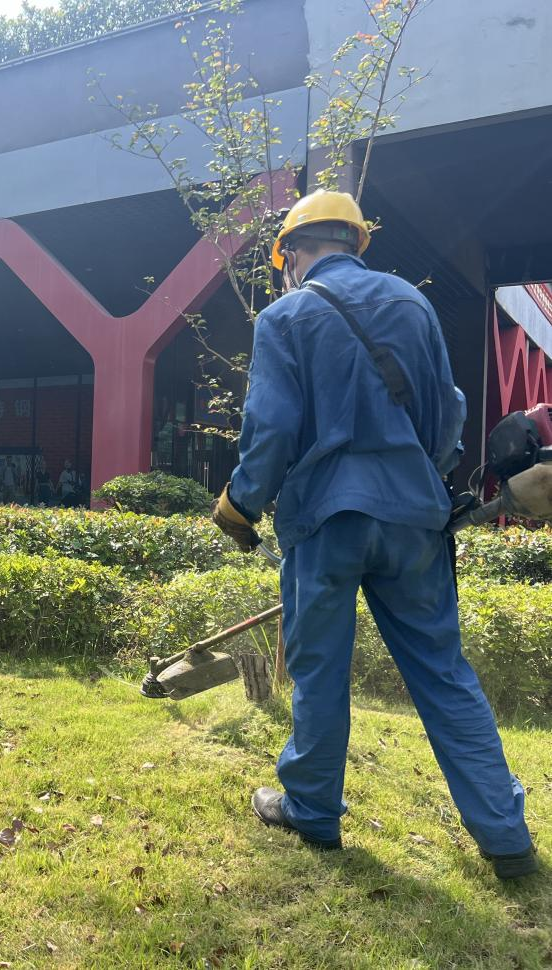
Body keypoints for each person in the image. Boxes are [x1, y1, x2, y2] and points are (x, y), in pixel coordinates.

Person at [211, 190, 537, 880]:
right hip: (414, 517)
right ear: (354, 244)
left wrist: (240, 504)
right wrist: (425, 478)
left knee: (320, 670)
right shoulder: (413, 305)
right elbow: (447, 412)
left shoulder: (284, 317)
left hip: (325, 519)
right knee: (444, 672)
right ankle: (505, 834)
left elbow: (271, 429)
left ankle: (312, 810)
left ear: (292, 255)